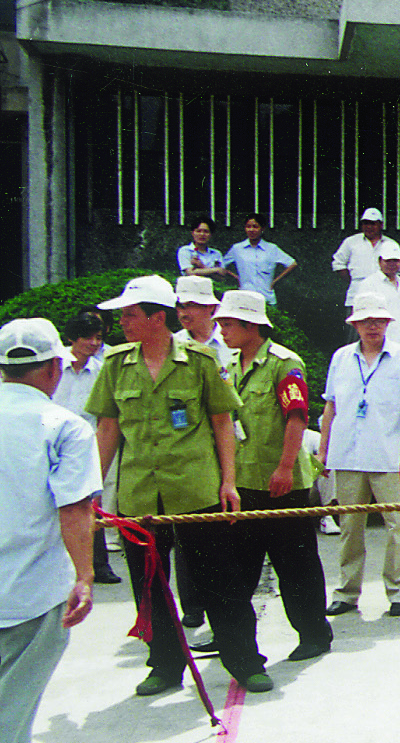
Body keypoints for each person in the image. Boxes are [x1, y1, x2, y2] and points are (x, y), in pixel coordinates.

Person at [85, 275, 242, 697]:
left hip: (195, 488)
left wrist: (229, 481)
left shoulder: (202, 360)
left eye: (130, 314)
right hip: (139, 494)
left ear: (158, 318)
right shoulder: (116, 364)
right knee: (148, 584)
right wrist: (92, 489)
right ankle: (164, 664)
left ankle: (243, 660)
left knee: (217, 579)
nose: (122, 321)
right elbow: (107, 428)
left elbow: (222, 423)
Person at [0, 318, 98, 743]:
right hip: (32, 592)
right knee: (10, 713)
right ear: (55, 368)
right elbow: (75, 508)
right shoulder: (62, 425)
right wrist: (83, 576)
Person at [215, 290, 331, 678]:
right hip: (245, 480)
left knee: (295, 565)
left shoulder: (284, 363)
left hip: (284, 483)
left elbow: (297, 417)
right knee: (240, 565)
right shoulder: (229, 363)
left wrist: (284, 467)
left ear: (251, 326)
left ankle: (314, 632)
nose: (222, 329)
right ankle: (234, 638)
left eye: (228, 323)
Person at [320, 290, 400, 619]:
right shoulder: (340, 358)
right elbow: (331, 406)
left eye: (378, 320)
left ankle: (399, 592)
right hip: (347, 456)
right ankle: (347, 592)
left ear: (388, 322)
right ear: (355, 323)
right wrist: (324, 450)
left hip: (390, 456)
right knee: (350, 528)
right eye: (365, 320)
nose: (372, 326)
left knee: (399, 526)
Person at [52, 312, 120, 584]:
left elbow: (106, 415)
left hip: (89, 443)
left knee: (93, 501)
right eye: (87, 337)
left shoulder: (102, 370)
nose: (93, 343)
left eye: (98, 338)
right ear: (72, 338)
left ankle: (99, 565)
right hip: (54, 443)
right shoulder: (55, 367)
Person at [226, 215, 296, 301]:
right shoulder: (237, 248)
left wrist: (274, 282)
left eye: (255, 227)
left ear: (262, 229)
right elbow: (222, 265)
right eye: (248, 227)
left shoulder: (271, 248)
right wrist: (237, 277)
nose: (251, 230)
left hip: (266, 296)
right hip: (245, 295)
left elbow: (292, 263)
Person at [173, 275, 233, 368]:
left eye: (190, 305)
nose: (182, 314)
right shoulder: (173, 344)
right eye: (179, 306)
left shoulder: (235, 343)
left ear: (210, 307)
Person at [331, 208, 388, 290]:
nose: (369, 227)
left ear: (381, 225)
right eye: (365, 223)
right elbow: (338, 263)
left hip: (383, 290)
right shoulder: (350, 242)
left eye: (372, 224)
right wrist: (353, 282)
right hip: (357, 291)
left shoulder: (391, 244)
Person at [176, 218, 233, 282]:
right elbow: (190, 273)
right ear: (192, 233)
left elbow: (221, 277)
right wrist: (215, 270)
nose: (202, 234)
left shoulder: (216, 253)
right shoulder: (185, 250)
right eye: (198, 231)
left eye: (206, 231)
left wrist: (202, 266)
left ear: (211, 234)